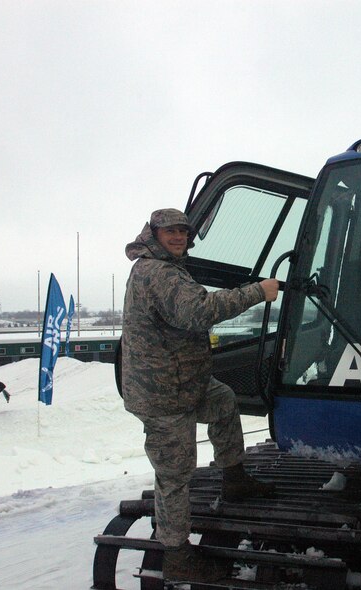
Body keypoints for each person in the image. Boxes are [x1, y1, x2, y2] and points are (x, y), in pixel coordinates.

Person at [121, 208, 278, 582]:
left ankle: (234, 476)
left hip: (183, 381)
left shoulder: (168, 268)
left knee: (223, 401)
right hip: (163, 394)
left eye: (182, 231)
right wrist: (257, 292)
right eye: (170, 231)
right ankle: (176, 556)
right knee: (175, 474)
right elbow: (197, 311)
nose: (178, 237)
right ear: (153, 234)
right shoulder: (157, 272)